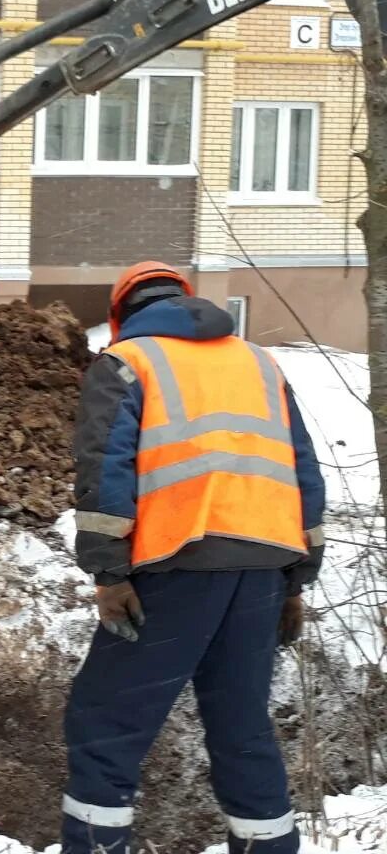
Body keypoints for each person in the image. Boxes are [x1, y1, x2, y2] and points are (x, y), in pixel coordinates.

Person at [62, 261, 326, 854]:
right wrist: (296, 580)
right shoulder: (261, 364)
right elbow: (303, 471)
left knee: (104, 725)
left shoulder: (127, 363)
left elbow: (106, 471)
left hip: (176, 565)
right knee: (243, 730)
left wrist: (109, 571)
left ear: (120, 315)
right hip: (264, 572)